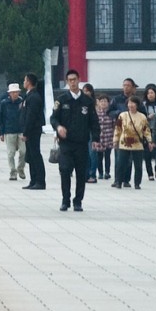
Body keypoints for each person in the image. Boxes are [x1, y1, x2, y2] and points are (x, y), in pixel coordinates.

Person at [51, 69, 98, 213]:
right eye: (70, 80)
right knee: (64, 170)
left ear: (79, 80)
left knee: (81, 173)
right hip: (66, 143)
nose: (72, 82)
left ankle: (78, 201)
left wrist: (95, 139)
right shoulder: (62, 99)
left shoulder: (87, 101)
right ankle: (65, 200)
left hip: (81, 143)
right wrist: (58, 127)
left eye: (74, 79)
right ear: (67, 82)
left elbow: (94, 122)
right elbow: (53, 118)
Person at [114, 95, 149, 189]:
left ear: (137, 105)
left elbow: (146, 130)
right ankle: (119, 181)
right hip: (124, 143)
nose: (131, 105)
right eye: (129, 103)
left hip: (138, 144)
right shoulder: (122, 115)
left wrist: (150, 141)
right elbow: (118, 129)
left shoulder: (142, 117)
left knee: (138, 166)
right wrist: (115, 140)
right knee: (121, 164)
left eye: (133, 103)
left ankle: (137, 183)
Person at [22, 73, 46, 190]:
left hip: (33, 130)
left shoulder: (34, 97)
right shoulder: (29, 95)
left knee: (35, 154)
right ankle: (33, 180)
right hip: (30, 129)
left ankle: (40, 181)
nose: (24, 82)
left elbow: (31, 116)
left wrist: (26, 132)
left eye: (25, 80)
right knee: (30, 155)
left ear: (29, 82)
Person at [0, 83, 26, 181]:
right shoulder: (4, 103)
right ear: (9, 93)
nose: (15, 94)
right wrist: (1, 132)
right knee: (11, 153)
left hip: (21, 130)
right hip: (9, 130)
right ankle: (13, 171)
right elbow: (1, 118)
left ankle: (20, 168)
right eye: (13, 92)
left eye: (16, 92)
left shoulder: (22, 102)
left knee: (23, 151)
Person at [92, 95, 114, 184]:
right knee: (99, 156)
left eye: (105, 101)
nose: (103, 103)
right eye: (102, 101)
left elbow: (114, 125)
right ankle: (100, 172)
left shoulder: (111, 113)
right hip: (99, 137)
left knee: (108, 156)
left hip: (109, 137)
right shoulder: (96, 113)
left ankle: (107, 172)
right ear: (98, 103)